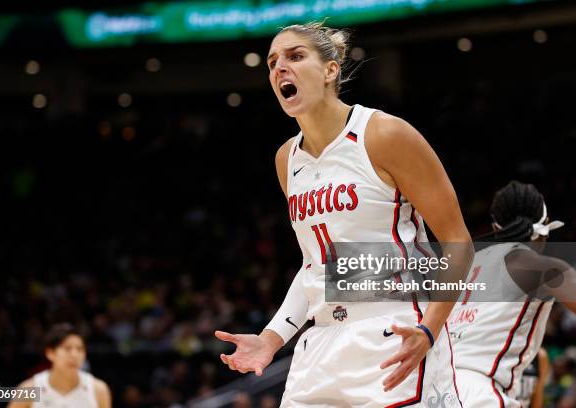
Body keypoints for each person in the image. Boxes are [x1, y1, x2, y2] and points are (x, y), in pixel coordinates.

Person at [215, 22, 473, 406]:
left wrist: (430, 330)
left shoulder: (384, 134)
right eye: (272, 62)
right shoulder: (287, 159)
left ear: (330, 70)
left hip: (395, 333)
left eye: (295, 56)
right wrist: (272, 338)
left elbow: (459, 243)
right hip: (321, 343)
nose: (279, 68)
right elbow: (315, 267)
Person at [449, 181, 575, 407]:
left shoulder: (466, 265)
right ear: (545, 225)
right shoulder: (542, 267)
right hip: (480, 392)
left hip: (431, 387)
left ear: (496, 228)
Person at [8, 323, 111, 408]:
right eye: (67, 348)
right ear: (50, 353)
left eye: (80, 349)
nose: (74, 355)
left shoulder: (98, 389)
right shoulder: (29, 389)